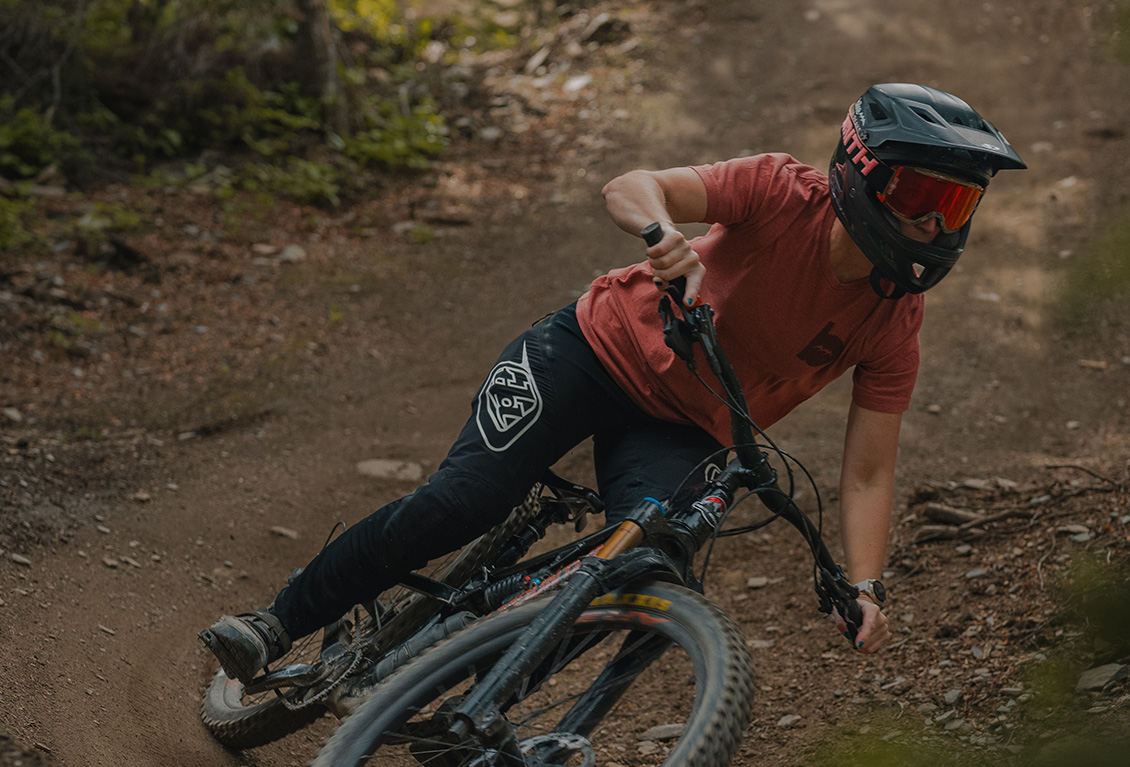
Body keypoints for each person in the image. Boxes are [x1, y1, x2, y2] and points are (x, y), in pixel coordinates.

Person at [198, 82, 1026, 681]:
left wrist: (866, 582)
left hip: (689, 431)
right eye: (921, 194)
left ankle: (481, 708)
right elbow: (634, 185)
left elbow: (870, 470)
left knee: (650, 573)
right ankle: (278, 625)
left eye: (954, 209)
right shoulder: (781, 192)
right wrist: (661, 232)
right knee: (462, 504)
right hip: (591, 353)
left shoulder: (894, 322)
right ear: (860, 169)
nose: (930, 224)